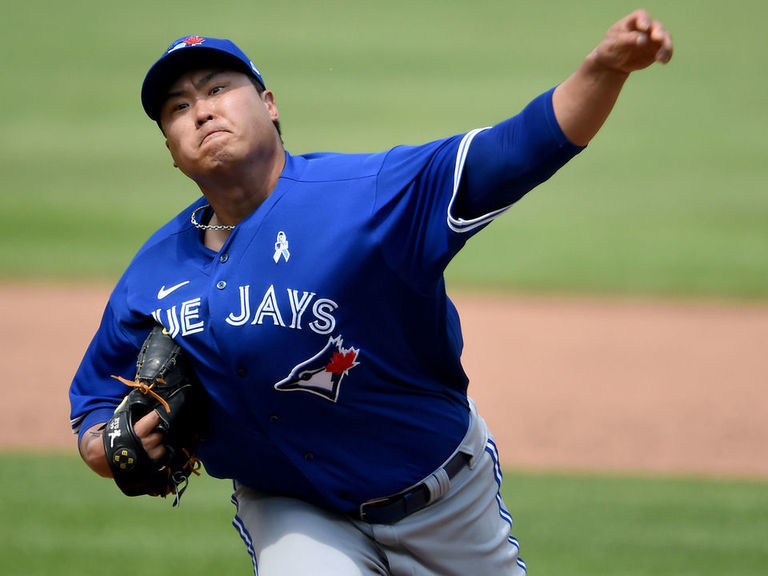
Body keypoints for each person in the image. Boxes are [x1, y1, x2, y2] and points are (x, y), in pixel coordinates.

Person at [70, 10, 673, 575]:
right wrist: (108, 446)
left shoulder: (367, 196)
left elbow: (515, 152)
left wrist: (604, 69)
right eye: (178, 107)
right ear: (172, 151)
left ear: (270, 104)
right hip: (291, 508)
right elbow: (95, 407)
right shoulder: (152, 273)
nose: (200, 111)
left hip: (444, 498)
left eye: (217, 89)